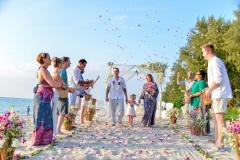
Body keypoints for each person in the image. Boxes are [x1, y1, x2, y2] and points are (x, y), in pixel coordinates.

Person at [202, 44, 232, 151]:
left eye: (203, 52)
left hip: (220, 93)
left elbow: (219, 79)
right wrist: (208, 89)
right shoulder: (212, 62)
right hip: (216, 94)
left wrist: (209, 89)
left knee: (220, 120)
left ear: (208, 51)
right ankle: (216, 140)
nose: (203, 54)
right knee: (215, 119)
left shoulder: (215, 61)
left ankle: (221, 143)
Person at [32, 53, 62, 146]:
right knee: (41, 118)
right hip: (42, 97)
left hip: (45, 97)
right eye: (49, 58)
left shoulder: (45, 70)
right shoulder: (43, 69)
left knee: (44, 117)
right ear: (44, 59)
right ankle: (39, 140)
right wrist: (61, 85)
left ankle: (44, 139)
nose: (50, 60)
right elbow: (51, 82)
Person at [68, 59, 91, 125]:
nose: (84, 67)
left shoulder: (78, 70)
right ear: (80, 63)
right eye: (84, 65)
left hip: (76, 90)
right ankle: (70, 123)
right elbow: (77, 81)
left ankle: (71, 122)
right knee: (71, 107)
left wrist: (87, 83)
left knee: (74, 108)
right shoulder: (76, 69)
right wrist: (86, 82)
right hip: (73, 90)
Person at [51, 57, 67, 138]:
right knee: (54, 112)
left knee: (54, 112)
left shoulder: (53, 72)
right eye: (61, 63)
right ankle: (54, 132)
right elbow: (63, 84)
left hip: (53, 92)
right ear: (59, 64)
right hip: (56, 92)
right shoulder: (56, 74)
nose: (62, 65)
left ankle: (54, 131)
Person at [57, 57, 71, 135]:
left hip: (60, 92)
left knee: (58, 112)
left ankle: (57, 129)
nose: (70, 63)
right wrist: (68, 88)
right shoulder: (63, 70)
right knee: (62, 112)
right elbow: (61, 82)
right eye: (69, 61)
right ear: (64, 62)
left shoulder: (61, 70)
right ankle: (58, 130)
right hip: (62, 93)